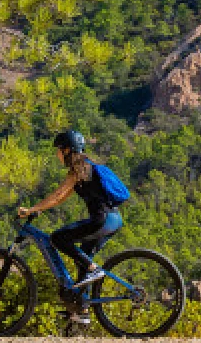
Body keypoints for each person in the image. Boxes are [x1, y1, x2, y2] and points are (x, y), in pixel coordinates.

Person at [16, 130, 123, 323]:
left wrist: (31, 209)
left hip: (103, 220)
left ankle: (93, 269)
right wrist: (39, 208)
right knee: (82, 256)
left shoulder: (78, 169)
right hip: (114, 219)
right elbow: (60, 199)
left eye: (59, 150)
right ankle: (81, 309)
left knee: (57, 238)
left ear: (67, 150)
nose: (57, 155)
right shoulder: (86, 168)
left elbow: (57, 195)